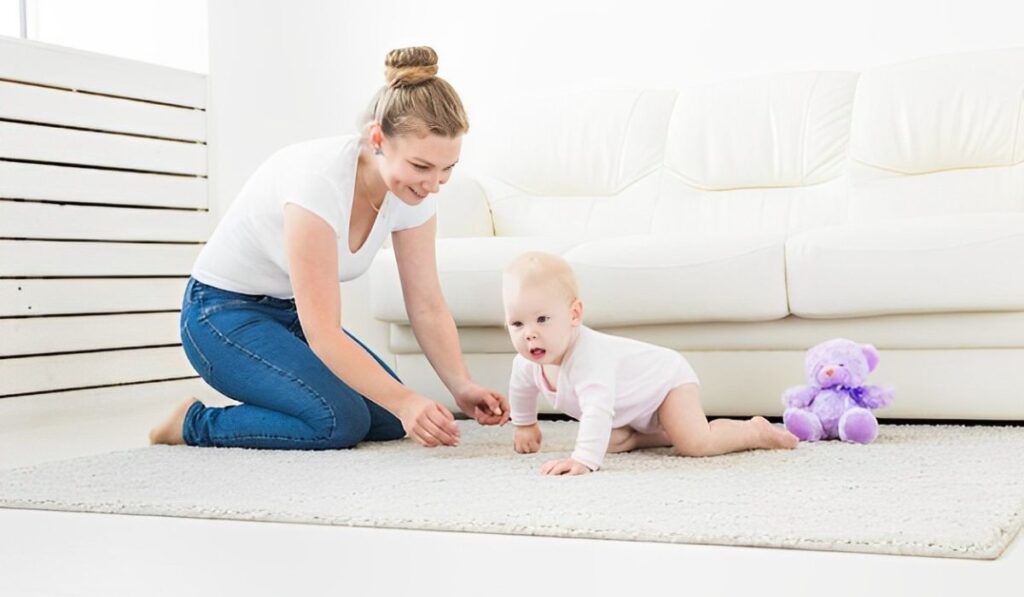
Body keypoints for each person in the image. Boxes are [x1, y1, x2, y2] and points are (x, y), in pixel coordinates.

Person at [150, 46, 509, 450]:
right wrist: (408, 400)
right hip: (219, 315)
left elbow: (425, 302)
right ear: (378, 139)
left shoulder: (414, 196)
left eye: (447, 169)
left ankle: (295, 401)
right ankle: (193, 423)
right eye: (421, 167)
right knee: (338, 423)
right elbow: (323, 334)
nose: (433, 184)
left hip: (287, 315)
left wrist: (460, 385)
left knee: (393, 419)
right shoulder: (318, 184)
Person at [502, 252, 798, 475]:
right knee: (607, 439)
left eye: (542, 319)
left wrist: (582, 461)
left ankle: (754, 431)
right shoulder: (526, 364)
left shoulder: (588, 357)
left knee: (694, 443)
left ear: (574, 314)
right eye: (517, 323)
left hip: (666, 383)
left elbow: (597, 408)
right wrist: (525, 425)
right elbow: (521, 391)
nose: (530, 334)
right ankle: (660, 433)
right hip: (630, 406)